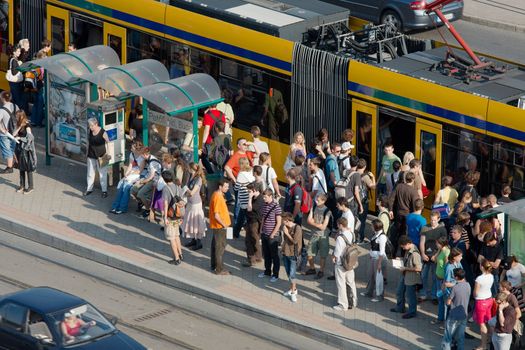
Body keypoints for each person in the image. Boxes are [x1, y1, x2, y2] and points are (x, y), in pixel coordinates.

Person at [418, 211, 447, 303]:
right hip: (426, 255)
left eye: (434, 220)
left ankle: (434, 295)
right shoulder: (425, 228)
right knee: (423, 275)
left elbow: (443, 245)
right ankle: (424, 294)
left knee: (435, 276)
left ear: (438, 219)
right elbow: (422, 242)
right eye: (431, 220)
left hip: (436, 255)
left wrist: (436, 255)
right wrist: (422, 253)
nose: (432, 222)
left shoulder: (442, 229)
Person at [391, 235, 422, 319]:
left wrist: (406, 268)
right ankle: (400, 308)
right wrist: (400, 259)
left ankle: (412, 312)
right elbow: (407, 260)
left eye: (403, 246)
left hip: (411, 278)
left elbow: (419, 268)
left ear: (408, 243)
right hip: (405, 275)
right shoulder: (409, 250)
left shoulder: (415, 254)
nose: (403, 249)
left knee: (410, 296)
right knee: (399, 291)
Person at [110, 141, 144, 214]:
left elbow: (140, 171)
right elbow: (130, 165)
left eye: (132, 148)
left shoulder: (142, 157)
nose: (131, 149)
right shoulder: (132, 154)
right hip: (132, 173)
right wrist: (126, 174)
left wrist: (129, 175)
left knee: (126, 188)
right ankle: (115, 206)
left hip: (140, 175)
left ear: (136, 149)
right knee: (121, 186)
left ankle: (122, 208)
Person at [388, 171, 419, 251]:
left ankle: (393, 252)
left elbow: (391, 199)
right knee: (405, 235)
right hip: (408, 216)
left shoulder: (399, 186)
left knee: (397, 233)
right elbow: (415, 206)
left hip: (398, 214)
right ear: (413, 180)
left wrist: (390, 210)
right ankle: (402, 252)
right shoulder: (413, 191)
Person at [441, 268, 470, 350]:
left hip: (454, 315)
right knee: (460, 337)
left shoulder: (455, 288)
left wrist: (446, 295)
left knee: (447, 337)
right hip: (464, 315)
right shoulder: (468, 285)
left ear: (456, 277)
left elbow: (448, 302)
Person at [161, 170, 186, 265]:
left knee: (171, 237)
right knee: (176, 236)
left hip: (171, 216)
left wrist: (165, 217)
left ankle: (176, 258)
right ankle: (181, 254)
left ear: (164, 179)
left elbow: (166, 204)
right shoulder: (177, 186)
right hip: (178, 215)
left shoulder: (166, 189)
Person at [333, 217, 358, 311]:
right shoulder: (352, 233)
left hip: (341, 263)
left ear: (340, 225)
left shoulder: (340, 237)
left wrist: (334, 258)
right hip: (351, 261)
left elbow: (338, 252)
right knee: (351, 282)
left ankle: (343, 304)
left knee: (341, 284)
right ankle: (354, 301)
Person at [305, 193, 332, 279]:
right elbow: (308, 220)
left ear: (324, 201)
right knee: (309, 253)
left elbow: (324, 227)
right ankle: (312, 268)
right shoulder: (314, 207)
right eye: (316, 199)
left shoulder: (328, 211)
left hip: (323, 236)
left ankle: (321, 271)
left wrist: (313, 223)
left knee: (322, 255)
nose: (316, 201)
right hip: (314, 234)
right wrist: (317, 224)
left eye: (318, 200)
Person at [258, 189, 282, 282]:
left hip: (273, 236)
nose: (264, 199)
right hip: (264, 233)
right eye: (263, 197)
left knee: (274, 255)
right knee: (266, 254)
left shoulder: (277, 207)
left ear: (271, 196)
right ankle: (267, 271)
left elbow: (279, 222)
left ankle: (275, 275)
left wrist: (272, 234)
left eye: (265, 197)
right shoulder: (264, 205)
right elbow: (264, 217)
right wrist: (261, 229)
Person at [362, 219, 388, 302]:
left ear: (376, 227)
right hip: (374, 258)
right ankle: (369, 292)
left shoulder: (382, 237)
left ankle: (379, 296)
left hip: (378, 260)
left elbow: (382, 252)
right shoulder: (376, 234)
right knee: (371, 276)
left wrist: (379, 263)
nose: (370, 227)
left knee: (378, 278)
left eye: (372, 225)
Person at [182, 163, 206, 251]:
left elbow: (192, 192)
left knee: (197, 223)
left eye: (189, 169)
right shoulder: (191, 177)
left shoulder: (198, 179)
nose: (188, 170)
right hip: (190, 203)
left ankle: (199, 242)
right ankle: (193, 239)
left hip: (196, 204)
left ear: (193, 169)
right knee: (191, 222)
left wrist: (185, 188)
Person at [209, 179, 231, 275]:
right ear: (220, 187)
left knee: (215, 246)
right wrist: (224, 225)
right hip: (220, 227)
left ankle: (214, 265)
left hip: (219, 226)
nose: (227, 188)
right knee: (220, 248)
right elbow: (216, 215)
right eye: (226, 187)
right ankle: (219, 269)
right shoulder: (218, 197)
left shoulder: (217, 194)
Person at [131, 148, 161, 216]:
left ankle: (148, 209)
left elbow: (151, 177)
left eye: (141, 155)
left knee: (140, 194)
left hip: (153, 180)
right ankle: (141, 202)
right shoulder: (148, 159)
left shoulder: (153, 162)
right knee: (133, 190)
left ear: (145, 154)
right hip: (147, 177)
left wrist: (141, 182)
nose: (141, 156)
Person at [472, 259, 495, 350]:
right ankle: (493, 341)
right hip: (489, 300)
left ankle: (483, 346)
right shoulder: (491, 276)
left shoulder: (479, 279)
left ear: (481, 267)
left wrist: (473, 294)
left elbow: (475, 293)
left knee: (482, 324)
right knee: (489, 322)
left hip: (481, 302)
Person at [437, 248, 463, 324]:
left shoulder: (458, 263)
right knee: (449, 308)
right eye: (460, 256)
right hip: (450, 292)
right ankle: (448, 325)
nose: (461, 258)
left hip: (456, 290)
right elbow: (447, 283)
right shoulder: (449, 267)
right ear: (454, 257)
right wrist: (459, 283)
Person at [84, 117, 109, 198]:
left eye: (91, 126)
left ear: (96, 124)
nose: (90, 128)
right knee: (90, 173)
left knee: (102, 174)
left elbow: (108, 142)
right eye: (89, 126)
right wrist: (87, 152)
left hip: (101, 156)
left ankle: (104, 191)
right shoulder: (90, 132)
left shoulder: (103, 132)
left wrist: (107, 154)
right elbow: (88, 142)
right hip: (91, 155)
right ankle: (89, 189)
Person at [281, 212, 302, 303]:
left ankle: (293, 293)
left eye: (283, 220)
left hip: (293, 254)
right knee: (288, 273)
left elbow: (295, 241)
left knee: (292, 274)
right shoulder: (285, 227)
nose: (282, 222)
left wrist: (286, 233)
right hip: (285, 252)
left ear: (287, 220)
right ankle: (293, 289)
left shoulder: (297, 228)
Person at [13, 110, 36, 193]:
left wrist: (20, 138)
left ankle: (30, 187)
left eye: (17, 116)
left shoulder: (27, 126)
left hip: (26, 150)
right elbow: (14, 134)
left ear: (21, 116)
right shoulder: (19, 124)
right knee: (21, 168)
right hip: (19, 148)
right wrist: (19, 127)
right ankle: (21, 185)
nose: (16, 118)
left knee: (28, 168)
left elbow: (30, 138)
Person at [233, 158, 255, 238]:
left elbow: (236, 187)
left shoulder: (241, 174)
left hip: (243, 198)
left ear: (241, 164)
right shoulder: (251, 171)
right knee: (243, 217)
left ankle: (236, 233)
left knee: (242, 218)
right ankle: (235, 233)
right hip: (250, 197)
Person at [244, 182, 264, 266]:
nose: (248, 193)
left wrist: (249, 198)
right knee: (254, 240)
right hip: (252, 221)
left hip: (254, 223)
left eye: (249, 191)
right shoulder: (257, 197)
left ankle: (252, 260)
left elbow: (249, 209)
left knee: (249, 241)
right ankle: (258, 257)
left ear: (254, 190)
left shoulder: (259, 199)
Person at [478, 232, 503, 296]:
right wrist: (491, 262)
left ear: (493, 240)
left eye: (488, 243)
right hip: (484, 272)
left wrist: (484, 260)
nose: (487, 244)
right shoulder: (484, 245)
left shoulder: (499, 248)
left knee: (494, 293)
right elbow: (479, 259)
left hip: (493, 274)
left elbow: (495, 265)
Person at [0, 91, 18, 173]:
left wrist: (2, 130)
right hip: (14, 132)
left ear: (2, 98)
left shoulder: (2, 110)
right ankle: (15, 162)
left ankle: (9, 167)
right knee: (12, 148)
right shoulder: (15, 106)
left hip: (5, 134)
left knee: (7, 149)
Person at [7, 45, 24, 110]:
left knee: (13, 98)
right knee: (17, 98)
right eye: (18, 51)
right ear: (14, 52)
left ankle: (12, 111)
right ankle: (19, 113)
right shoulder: (14, 60)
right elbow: (14, 73)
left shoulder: (12, 58)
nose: (20, 52)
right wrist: (20, 67)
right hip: (14, 82)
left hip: (13, 82)